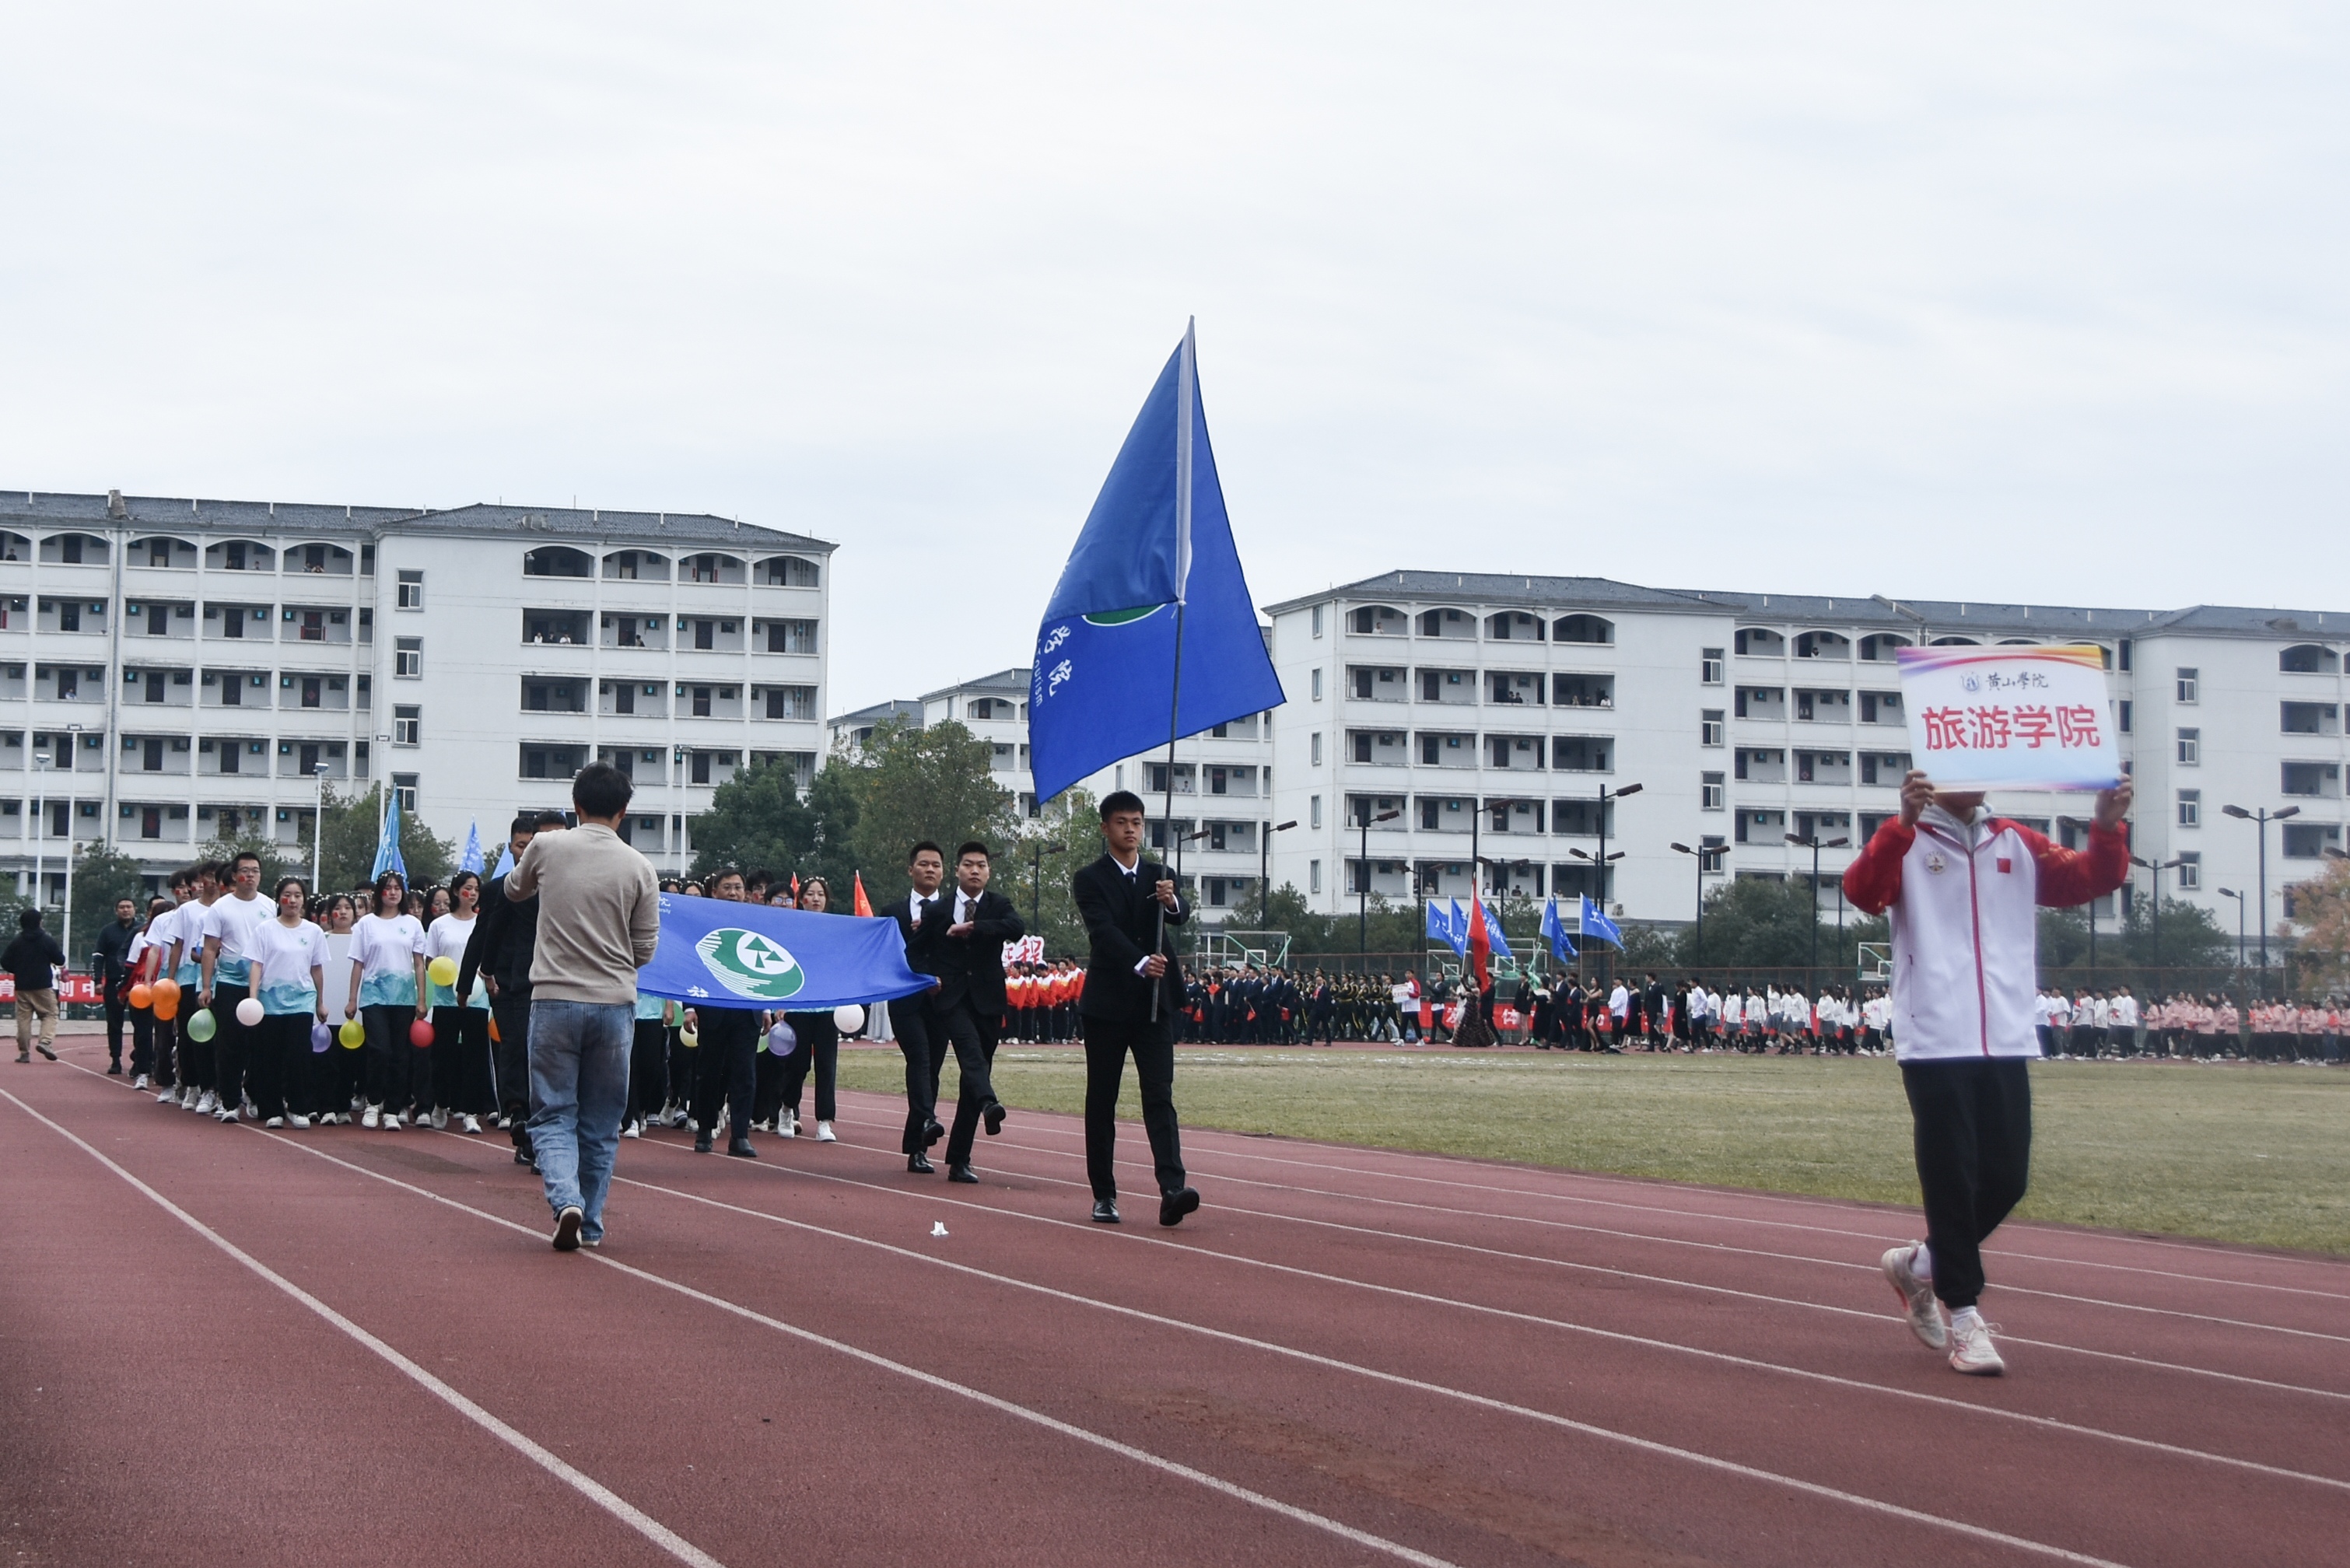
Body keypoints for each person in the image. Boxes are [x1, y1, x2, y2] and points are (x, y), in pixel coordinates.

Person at [1845, 767, 2129, 1377]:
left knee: (2005, 1177)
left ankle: (1920, 1265)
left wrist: (2106, 829)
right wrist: (1900, 824)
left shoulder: (2016, 842)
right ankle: (1966, 1319)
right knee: (1951, 1177)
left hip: (2004, 1032)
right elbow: (1862, 892)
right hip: (1934, 1034)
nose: (1975, 777)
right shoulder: (1907, 840)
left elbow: (2090, 878)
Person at [506, 761, 660, 1251]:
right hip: (614, 1004)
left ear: (575, 806)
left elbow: (513, 889)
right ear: (624, 811)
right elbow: (645, 948)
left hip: (554, 999)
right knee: (601, 1123)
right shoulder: (640, 866)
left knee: (553, 1113)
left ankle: (566, 1200)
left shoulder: (547, 846)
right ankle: (590, 1221)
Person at [1070, 791, 1199, 1227]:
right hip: (1108, 1003)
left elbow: (1180, 916)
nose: (1131, 829)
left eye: (1137, 822)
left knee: (1159, 1095)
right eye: (1122, 822)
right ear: (1105, 827)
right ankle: (1104, 1194)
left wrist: (1171, 901)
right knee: (1102, 1099)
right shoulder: (1089, 878)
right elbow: (1102, 931)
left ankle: (1173, 1189)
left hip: (1155, 1003)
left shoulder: (1161, 876)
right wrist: (1141, 962)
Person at [460, 812, 563, 1164]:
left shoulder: (565, 888)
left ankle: (536, 1133)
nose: (529, 851)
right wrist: (470, 981)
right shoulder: (500, 889)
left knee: (545, 1058)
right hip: (508, 984)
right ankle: (518, 1112)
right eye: (522, 845)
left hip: (554, 982)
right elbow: (485, 935)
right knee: (516, 1048)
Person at [924, 841, 1024, 1181]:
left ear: (988, 871)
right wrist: (928, 977)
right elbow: (917, 951)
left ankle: (959, 1158)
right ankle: (989, 1102)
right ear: (957, 870)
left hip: (988, 999)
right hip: (951, 997)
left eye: (981, 865)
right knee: (969, 1051)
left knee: (975, 1071)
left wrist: (974, 927)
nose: (975, 871)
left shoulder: (998, 905)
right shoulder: (937, 910)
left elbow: (1016, 928)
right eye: (968, 864)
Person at [685, 868, 762, 1157]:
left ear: (746, 893)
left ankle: (739, 1135)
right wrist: (689, 1007)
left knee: (745, 1074)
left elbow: (764, 966)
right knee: (709, 1073)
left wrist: (766, 1007)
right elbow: (690, 963)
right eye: (727, 887)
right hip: (713, 1008)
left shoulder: (755, 921)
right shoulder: (701, 922)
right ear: (714, 892)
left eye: (738, 887)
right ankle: (705, 1130)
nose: (733, 893)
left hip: (747, 1008)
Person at [243, 877, 329, 1129]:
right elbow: (257, 965)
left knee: (299, 1056)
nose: (292, 900)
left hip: (302, 1002)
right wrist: (253, 997)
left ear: (304, 900)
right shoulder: (265, 930)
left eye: (298, 895)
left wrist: (320, 1002)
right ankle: (272, 1110)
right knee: (269, 1057)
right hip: (270, 1002)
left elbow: (316, 969)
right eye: (287, 895)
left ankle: (298, 1107)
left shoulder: (313, 932)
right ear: (278, 899)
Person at [889, 842, 952, 1171]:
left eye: (936, 865)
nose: (930, 869)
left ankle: (918, 1147)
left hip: (941, 1001)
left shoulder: (955, 912)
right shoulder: (892, 913)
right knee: (920, 1058)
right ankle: (927, 1119)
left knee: (932, 1070)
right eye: (924, 864)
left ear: (943, 872)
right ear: (911, 869)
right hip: (906, 1000)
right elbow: (884, 955)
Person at [200, 851, 275, 1123]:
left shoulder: (270, 906)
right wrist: (206, 986)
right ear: (234, 876)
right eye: (245, 871)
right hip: (230, 983)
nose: (250, 876)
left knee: (260, 1044)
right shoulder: (221, 908)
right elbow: (210, 949)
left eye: (255, 871)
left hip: (264, 985)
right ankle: (230, 1101)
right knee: (230, 1044)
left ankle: (254, 1095)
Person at [348, 872, 426, 1129]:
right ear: (379, 892)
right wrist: (352, 999)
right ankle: (373, 1102)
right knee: (379, 1050)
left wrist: (421, 999)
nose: (392, 893)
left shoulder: (412, 924)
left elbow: (419, 963)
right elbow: (358, 964)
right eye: (387, 888)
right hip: (374, 996)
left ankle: (393, 1109)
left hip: (404, 998)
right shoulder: (366, 924)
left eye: (397, 888)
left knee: (400, 1055)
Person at [424, 870, 493, 1133]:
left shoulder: (484, 922)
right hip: (446, 999)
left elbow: (490, 958)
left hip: (477, 999)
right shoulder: (440, 925)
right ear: (455, 891)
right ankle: (441, 1103)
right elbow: (430, 961)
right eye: (467, 888)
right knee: (443, 1055)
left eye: (476, 889)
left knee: (475, 1055)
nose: (472, 893)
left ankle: (471, 1111)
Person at [776, 876, 841, 1142]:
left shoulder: (836, 929)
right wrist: (781, 1003)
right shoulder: (792, 930)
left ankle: (825, 1121)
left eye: (821, 894)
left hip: (828, 1009)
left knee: (826, 1065)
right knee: (797, 1066)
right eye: (811, 894)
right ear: (801, 899)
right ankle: (787, 1109)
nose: (816, 899)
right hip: (800, 1008)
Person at [5, 908, 65, 1062]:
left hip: (22, 985)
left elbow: (4, 961)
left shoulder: (17, 941)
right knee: (50, 1014)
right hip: (43, 985)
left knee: (23, 1019)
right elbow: (60, 960)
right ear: (40, 922)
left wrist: (18, 969)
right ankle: (45, 1041)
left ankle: (24, 1053)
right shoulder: (47, 940)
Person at [93, 897, 140, 1074]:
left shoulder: (142, 930)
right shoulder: (107, 931)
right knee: (114, 1023)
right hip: (114, 983)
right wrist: (98, 980)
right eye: (122, 907)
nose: (125, 910)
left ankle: (139, 1060)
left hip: (137, 985)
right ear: (116, 911)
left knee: (140, 1023)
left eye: (129, 907)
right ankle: (115, 1060)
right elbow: (98, 956)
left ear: (135, 909)